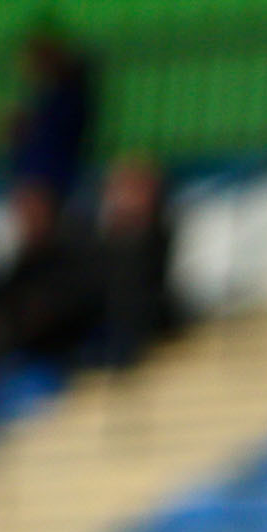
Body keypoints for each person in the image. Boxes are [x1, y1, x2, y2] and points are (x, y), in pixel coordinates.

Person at [0, 176, 98, 370]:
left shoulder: (72, 263)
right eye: (23, 210)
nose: (29, 219)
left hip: (58, 362)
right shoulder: (3, 264)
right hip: (4, 361)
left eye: (36, 211)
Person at [87, 151, 188, 372]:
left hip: (140, 332)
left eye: (132, 190)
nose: (122, 198)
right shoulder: (90, 241)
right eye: (119, 190)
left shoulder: (155, 240)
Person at [0, 18, 100, 203]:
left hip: (51, 179)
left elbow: (56, 141)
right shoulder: (48, 97)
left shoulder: (69, 97)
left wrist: (23, 126)